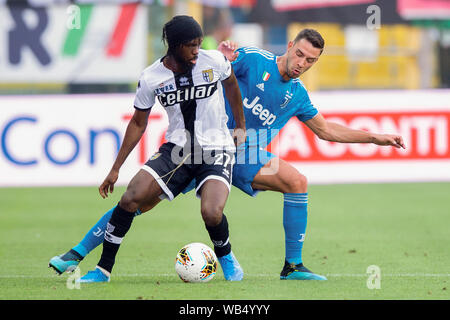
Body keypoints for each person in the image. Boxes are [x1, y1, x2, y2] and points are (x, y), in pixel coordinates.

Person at [50, 28, 405, 281]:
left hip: (245, 153)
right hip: (204, 144)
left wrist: (374, 137)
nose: (301, 63)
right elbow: (213, 69)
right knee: (138, 202)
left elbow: (327, 131)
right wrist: (222, 54)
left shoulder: (296, 94)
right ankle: (78, 252)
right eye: (299, 54)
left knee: (297, 181)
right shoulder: (252, 59)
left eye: (310, 60)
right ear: (290, 46)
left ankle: (292, 267)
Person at [57, 15, 247, 283]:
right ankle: (102, 270)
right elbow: (138, 122)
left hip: (216, 147)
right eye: (191, 45)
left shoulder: (213, 61)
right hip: (177, 150)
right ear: (174, 45)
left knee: (211, 212)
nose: (197, 50)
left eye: (198, 43)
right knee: (129, 199)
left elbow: (231, 86)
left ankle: (225, 256)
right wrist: (115, 168)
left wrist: (240, 125)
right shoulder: (151, 77)